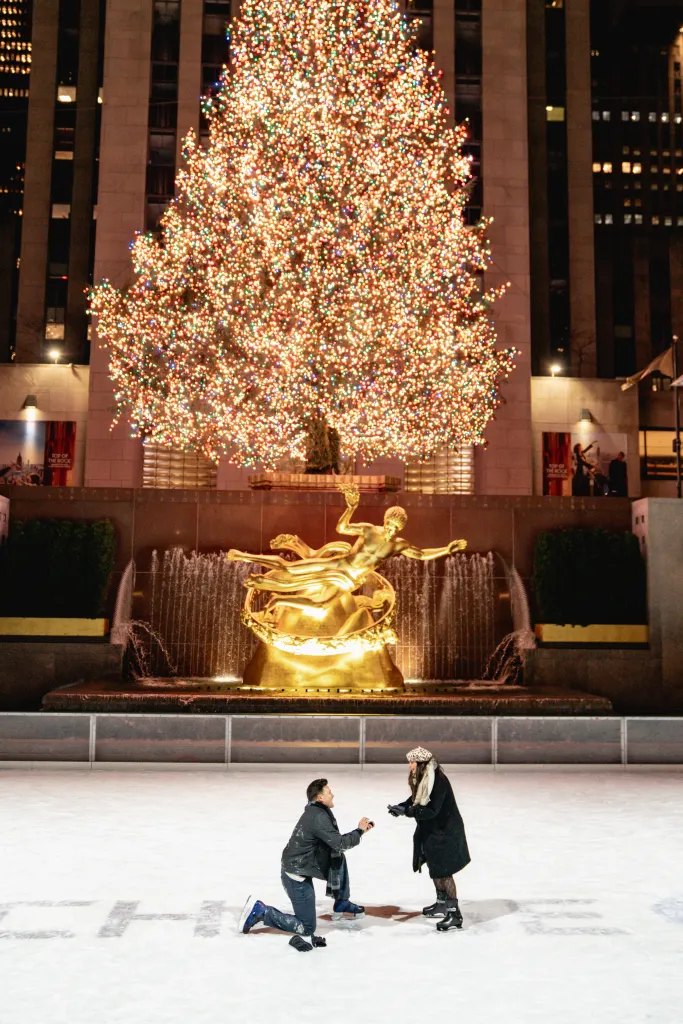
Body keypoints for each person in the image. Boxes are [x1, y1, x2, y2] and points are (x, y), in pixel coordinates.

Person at [239, 778, 373, 952]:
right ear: (320, 798)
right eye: (329, 791)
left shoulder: (319, 811)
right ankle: (262, 912)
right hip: (295, 874)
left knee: (338, 858)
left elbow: (335, 845)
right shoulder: (318, 817)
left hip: (302, 868)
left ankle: (341, 902)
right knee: (307, 927)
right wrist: (359, 831)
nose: (333, 793)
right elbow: (339, 843)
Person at [387, 747, 470, 932]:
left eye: (412, 762)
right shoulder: (424, 778)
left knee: (444, 871)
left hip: (445, 832)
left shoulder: (438, 780)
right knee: (435, 867)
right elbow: (416, 798)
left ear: (421, 763)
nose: (409, 765)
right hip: (433, 831)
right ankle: (441, 903)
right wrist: (401, 807)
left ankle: (454, 913)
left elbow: (432, 810)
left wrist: (407, 812)